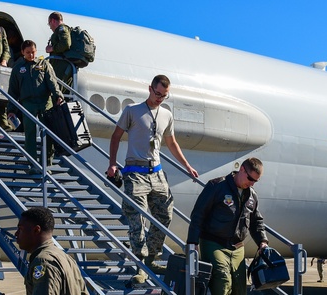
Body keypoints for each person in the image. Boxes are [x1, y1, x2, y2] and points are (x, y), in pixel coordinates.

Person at [107, 74, 198, 283]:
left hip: (156, 172)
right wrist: (112, 163)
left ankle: (151, 259)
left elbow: (171, 142)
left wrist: (187, 165)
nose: (159, 99)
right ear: (150, 89)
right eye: (157, 94)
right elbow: (116, 136)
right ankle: (140, 264)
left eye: (164, 96)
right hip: (134, 172)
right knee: (137, 218)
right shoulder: (132, 111)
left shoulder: (166, 114)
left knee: (165, 214)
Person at [187, 158, 269, 295]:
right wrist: (192, 242)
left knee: (239, 287)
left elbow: (256, 221)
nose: (252, 183)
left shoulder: (251, 195)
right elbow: (198, 214)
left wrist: (263, 242)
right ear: (242, 169)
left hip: (237, 247)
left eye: (255, 181)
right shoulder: (217, 186)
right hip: (214, 243)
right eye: (250, 178)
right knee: (222, 282)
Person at [8, 40, 63, 169]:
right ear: (22, 52)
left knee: (48, 133)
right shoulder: (17, 68)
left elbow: (52, 82)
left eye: (33, 52)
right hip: (28, 103)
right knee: (30, 133)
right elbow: (13, 91)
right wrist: (11, 110)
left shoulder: (44, 65)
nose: (31, 55)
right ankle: (32, 164)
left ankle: (46, 164)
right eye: (28, 53)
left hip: (45, 102)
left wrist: (58, 96)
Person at [15, 206, 89, 295]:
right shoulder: (66, 258)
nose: (16, 233)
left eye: (21, 229)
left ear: (36, 230)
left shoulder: (43, 261)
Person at [45, 12, 73, 93]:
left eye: (49, 23)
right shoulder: (59, 31)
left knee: (56, 88)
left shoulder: (62, 29)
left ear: (53, 21)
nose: (50, 27)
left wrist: (51, 49)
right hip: (61, 65)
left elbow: (66, 44)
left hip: (61, 66)